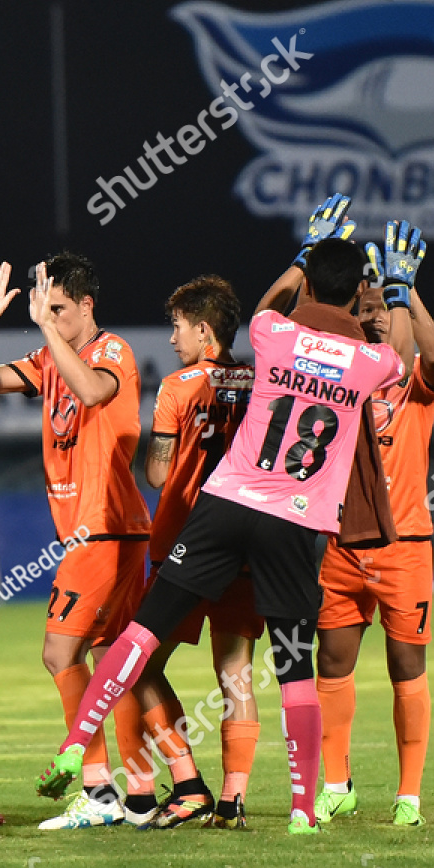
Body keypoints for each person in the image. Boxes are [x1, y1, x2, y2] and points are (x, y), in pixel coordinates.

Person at [38, 201, 425, 836]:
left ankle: (79, 743)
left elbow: (265, 308)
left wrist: (300, 257)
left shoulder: (275, 336)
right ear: (358, 294)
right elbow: (401, 355)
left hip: (228, 504)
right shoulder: (367, 364)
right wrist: (400, 293)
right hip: (295, 524)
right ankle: (301, 806)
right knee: (290, 665)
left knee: (140, 635)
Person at [0, 255, 152, 831]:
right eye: (45, 309)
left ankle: (98, 791)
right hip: (98, 529)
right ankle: (144, 792)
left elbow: (94, 393)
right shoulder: (51, 357)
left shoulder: (110, 351)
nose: (48, 318)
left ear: (86, 307)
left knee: (59, 654)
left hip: (101, 527)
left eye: (58, 309)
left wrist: (47, 332)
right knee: (111, 662)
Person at [314, 270, 434, 828]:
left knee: (405, 666)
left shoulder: (416, 379)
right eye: (363, 308)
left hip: (405, 547)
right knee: (333, 662)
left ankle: (408, 796)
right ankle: (337, 785)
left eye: (382, 309)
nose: (372, 317)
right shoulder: (340, 378)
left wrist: (407, 291)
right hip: (340, 545)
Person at [140, 275, 260, 829]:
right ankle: (235, 799)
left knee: (138, 667)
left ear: (203, 329)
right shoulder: (260, 382)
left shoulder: (177, 387)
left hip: (185, 545)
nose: (171, 339)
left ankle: (187, 784)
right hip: (245, 545)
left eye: (178, 327)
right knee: (235, 673)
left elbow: (160, 475)